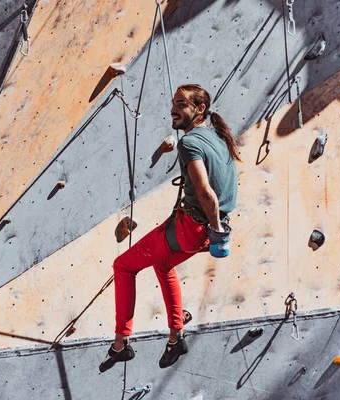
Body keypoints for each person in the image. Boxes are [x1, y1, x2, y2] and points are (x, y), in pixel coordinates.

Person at [99, 84, 241, 372]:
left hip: (193, 229)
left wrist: (214, 227)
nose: (173, 110)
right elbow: (223, 190)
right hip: (208, 232)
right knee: (163, 265)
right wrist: (217, 229)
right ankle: (176, 338)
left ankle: (120, 344)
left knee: (123, 266)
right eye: (173, 104)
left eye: (181, 104)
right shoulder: (218, 138)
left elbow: (205, 192)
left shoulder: (189, 144)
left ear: (199, 109)